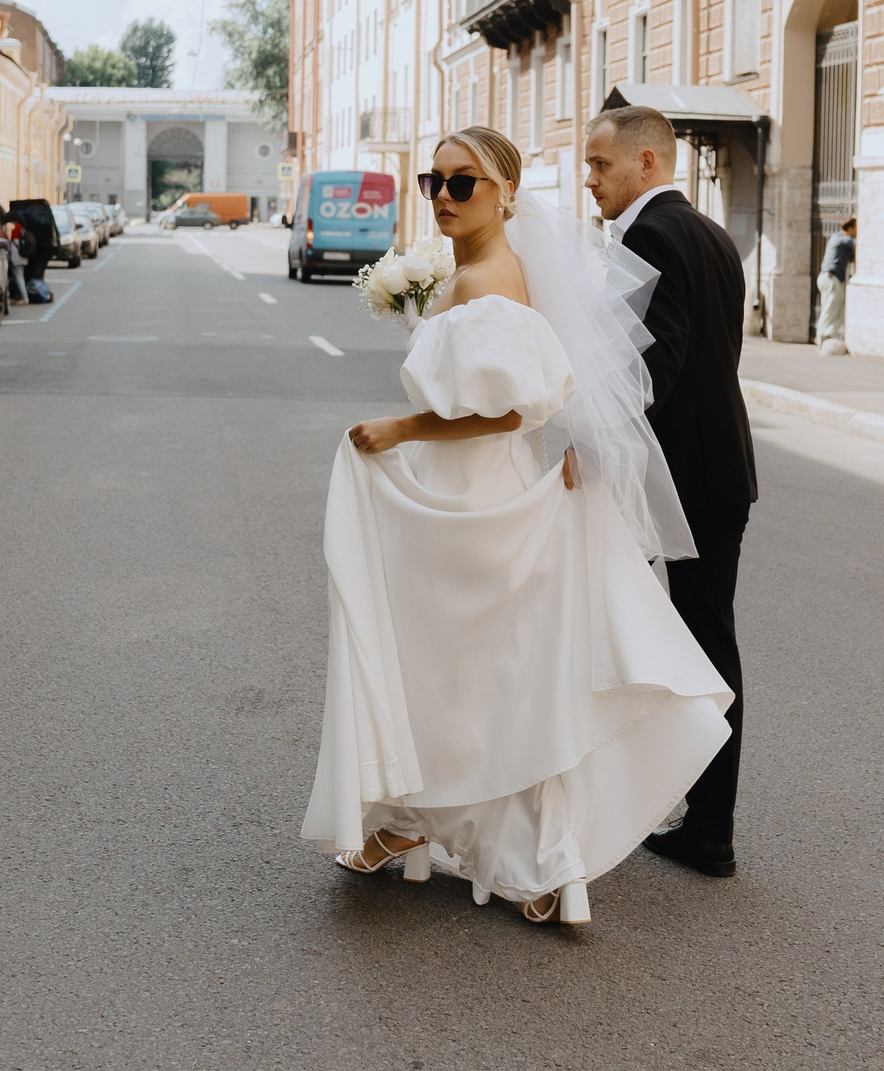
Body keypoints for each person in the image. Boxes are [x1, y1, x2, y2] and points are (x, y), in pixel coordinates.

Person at [304, 126, 730, 927]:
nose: (443, 196)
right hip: (468, 490)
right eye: (434, 182)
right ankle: (416, 822)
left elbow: (504, 412)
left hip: (469, 500)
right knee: (464, 670)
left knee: (464, 672)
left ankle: (499, 845)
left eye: (462, 183)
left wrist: (400, 428)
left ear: (505, 192)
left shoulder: (487, 282)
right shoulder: (492, 270)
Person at [581, 104, 757, 880]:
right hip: (720, 470)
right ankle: (705, 821)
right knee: (706, 639)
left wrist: (590, 435)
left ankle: (706, 828)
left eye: (601, 165)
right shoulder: (711, 233)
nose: (590, 180)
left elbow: (655, 366)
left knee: (692, 645)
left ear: (646, 162)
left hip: (683, 478)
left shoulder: (650, 236)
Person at [816, 218, 856, 354]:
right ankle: (824, 339)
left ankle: (827, 335)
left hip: (828, 278)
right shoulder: (841, 238)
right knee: (830, 308)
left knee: (834, 307)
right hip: (830, 278)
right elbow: (860, 244)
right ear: (850, 228)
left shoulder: (836, 237)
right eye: (857, 228)